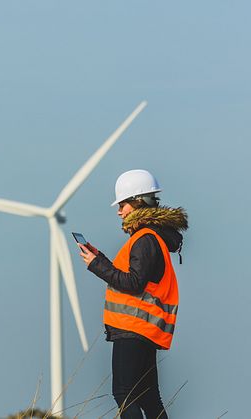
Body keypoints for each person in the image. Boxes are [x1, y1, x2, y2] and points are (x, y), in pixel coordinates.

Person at [77, 169, 188, 419]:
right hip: (144, 329)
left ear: (138, 202)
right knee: (148, 397)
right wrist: (101, 259)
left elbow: (133, 283)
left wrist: (96, 265)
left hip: (134, 328)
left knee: (124, 393)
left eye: (123, 204)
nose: (119, 211)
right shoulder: (151, 238)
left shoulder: (145, 239)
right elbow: (135, 278)